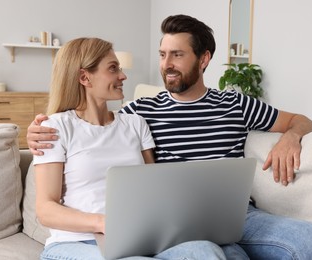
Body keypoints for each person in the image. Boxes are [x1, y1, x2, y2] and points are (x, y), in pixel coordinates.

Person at [28, 15, 312, 260]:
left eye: (177, 55)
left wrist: (291, 137)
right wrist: (37, 134)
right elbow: (86, 129)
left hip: (234, 215)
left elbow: (301, 120)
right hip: (174, 223)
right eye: (162, 54)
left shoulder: (234, 103)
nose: (166, 65)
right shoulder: (140, 111)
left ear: (204, 59)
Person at [33, 37, 227, 260]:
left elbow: (152, 188)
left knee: (206, 251)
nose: (123, 76)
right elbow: (45, 208)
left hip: (136, 238)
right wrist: (103, 222)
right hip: (75, 242)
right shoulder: (54, 127)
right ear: (85, 77)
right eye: (113, 69)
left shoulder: (135, 124)